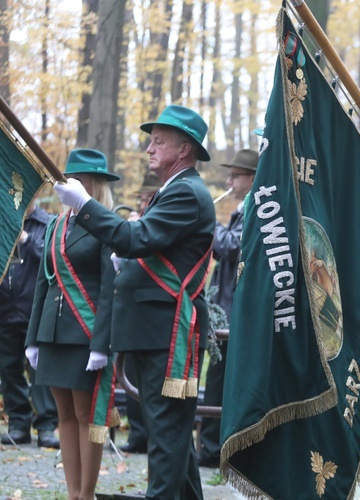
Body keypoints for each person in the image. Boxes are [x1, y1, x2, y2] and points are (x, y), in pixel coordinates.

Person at [53, 104, 216, 499]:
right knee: (171, 435)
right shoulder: (173, 190)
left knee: (166, 437)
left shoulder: (187, 192)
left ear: (184, 150)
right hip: (152, 332)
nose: (148, 148)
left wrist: (85, 206)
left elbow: (135, 239)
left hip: (164, 334)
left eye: (159, 141)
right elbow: (142, 245)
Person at [25, 149, 119, 500]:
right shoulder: (55, 224)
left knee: (85, 415)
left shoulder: (107, 223)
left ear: (92, 184)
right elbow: (42, 282)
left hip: (84, 330)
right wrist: (33, 337)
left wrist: (101, 343)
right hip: (52, 332)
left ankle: (86, 494)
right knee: (62, 413)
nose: (69, 185)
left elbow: (109, 290)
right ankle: (72, 493)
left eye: (77, 179)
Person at [198, 148, 257, 468]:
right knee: (218, 381)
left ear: (251, 179)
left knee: (222, 383)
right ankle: (212, 449)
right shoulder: (242, 208)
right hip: (226, 307)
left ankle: (213, 450)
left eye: (236, 176)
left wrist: (208, 222)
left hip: (235, 313)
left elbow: (232, 246)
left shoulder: (255, 209)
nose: (230, 181)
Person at [0, 203, 59, 448]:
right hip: (4, 312)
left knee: (41, 372)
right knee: (8, 371)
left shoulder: (48, 224)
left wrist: (24, 238)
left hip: (35, 311)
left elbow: (52, 258)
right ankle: (18, 425)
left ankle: (46, 426)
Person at [120, 171, 161, 454]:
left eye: (148, 197)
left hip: (152, 311)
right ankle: (137, 434)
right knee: (131, 376)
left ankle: (149, 434)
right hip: (131, 309)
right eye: (142, 197)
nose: (143, 202)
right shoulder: (139, 220)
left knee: (149, 381)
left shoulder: (157, 221)